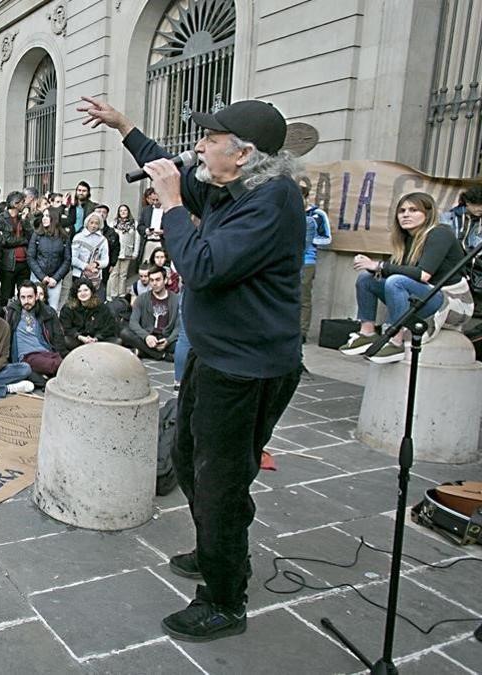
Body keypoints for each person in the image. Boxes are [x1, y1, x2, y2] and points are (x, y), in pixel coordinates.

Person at [83, 94, 307, 641]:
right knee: (187, 457)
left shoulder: (271, 201)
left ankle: (224, 598)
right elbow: (173, 170)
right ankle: (220, 546)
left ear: (246, 152)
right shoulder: (236, 184)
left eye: (211, 140)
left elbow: (202, 267)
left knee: (221, 484)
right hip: (215, 355)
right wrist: (128, 128)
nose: (200, 146)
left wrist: (172, 207)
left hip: (248, 368)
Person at [339, 192, 474, 363]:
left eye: (413, 210)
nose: (406, 214)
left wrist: (379, 265)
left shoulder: (440, 233)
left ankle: (396, 341)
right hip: (423, 296)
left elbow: (423, 275)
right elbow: (398, 272)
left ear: (428, 213)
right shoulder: (405, 240)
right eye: (402, 211)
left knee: (396, 281)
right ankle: (367, 333)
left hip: (452, 303)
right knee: (366, 278)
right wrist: (373, 268)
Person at [7, 281, 69, 377]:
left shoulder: (47, 312)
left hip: (46, 351)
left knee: (65, 362)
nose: (26, 301)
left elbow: (57, 336)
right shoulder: (12, 312)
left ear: (36, 296)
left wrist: (62, 354)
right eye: (23, 297)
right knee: (55, 365)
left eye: (30, 297)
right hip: (27, 355)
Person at [120, 266, 180, 360]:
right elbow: (133, 322)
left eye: (158, 280)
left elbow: (178, 326)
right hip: (147, 336)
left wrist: (168, 341)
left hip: (166, 338)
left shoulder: (176, 299)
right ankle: (162, 355)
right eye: (151, 280)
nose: (154, 283)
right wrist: (146, 337)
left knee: (184, 344)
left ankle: (142, 352)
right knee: (125, 333)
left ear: (165, 280)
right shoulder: (142, 298)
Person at [299, 184, 331, 342]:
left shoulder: (316, 215)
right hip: (289, 261)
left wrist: (311, 240)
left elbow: (327, 238)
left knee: (303, 297)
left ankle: (302, 332)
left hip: (307, 261)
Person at [27, 209, 72, 310]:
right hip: (37, 277)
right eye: (43, 216)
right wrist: (42, 277)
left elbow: (67, 260)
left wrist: (56, 278)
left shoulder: (64, 237)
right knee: (34, 306)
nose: (44, 218)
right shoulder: (37, 235)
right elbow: (30, 257)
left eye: (47, 216)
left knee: (52, 309)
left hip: (55, 279)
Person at [60, 277, 120, 349]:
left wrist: (96, 338)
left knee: (117, 341)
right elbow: (67, 328)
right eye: (79, 291)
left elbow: (109, 327)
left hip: (97, 340)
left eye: (86, 290)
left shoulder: (101, 307)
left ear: (91, 291)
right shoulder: (68, 308)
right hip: (78, 340)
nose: (83, 293)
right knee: (66, 341)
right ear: (76, 293)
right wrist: (80, 337)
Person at [0, 192, 31, 306]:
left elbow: (30, 236)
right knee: (6, 295)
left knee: (23, 293)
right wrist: (23, 240)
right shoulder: (1, 218)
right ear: (16, 204)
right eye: (22, 202)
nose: (24, 205)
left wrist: (25, 221)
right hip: (9, 262)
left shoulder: (23, 218)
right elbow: (6, 241)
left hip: (24, 262)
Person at [71, 211, 110, 300]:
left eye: (96, 223)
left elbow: (106, 260)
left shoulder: (103, 240)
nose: (93, 225)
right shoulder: (78, 237)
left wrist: (96, 264)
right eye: (91, 222)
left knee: (93, 300)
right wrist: (86, 266)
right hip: (79, 275)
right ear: (87, 222)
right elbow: (73, 258)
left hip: (95, 277)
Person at [110, 204, 141, 300]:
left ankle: (121, 294)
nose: (123, 212)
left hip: (128, 251)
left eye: (125, 210)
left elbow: (137, 239)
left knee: (123, 274)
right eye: (121, 210)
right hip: (116, 253)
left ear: (128, 212)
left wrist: (135, 252)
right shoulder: (113, 223)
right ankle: (113, 295)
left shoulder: (134, 224)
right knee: (114, 274)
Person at [137, 187, 164, 266]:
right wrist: (146, 230)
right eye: (153, 200)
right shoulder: (146, 210)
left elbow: (173, 228)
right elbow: (140, 226)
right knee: (146, 265)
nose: (155, 202)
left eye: (157, 200)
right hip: (148, 242)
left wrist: (163, 232)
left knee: (160, 265)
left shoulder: (167, 210)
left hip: (161, 242)